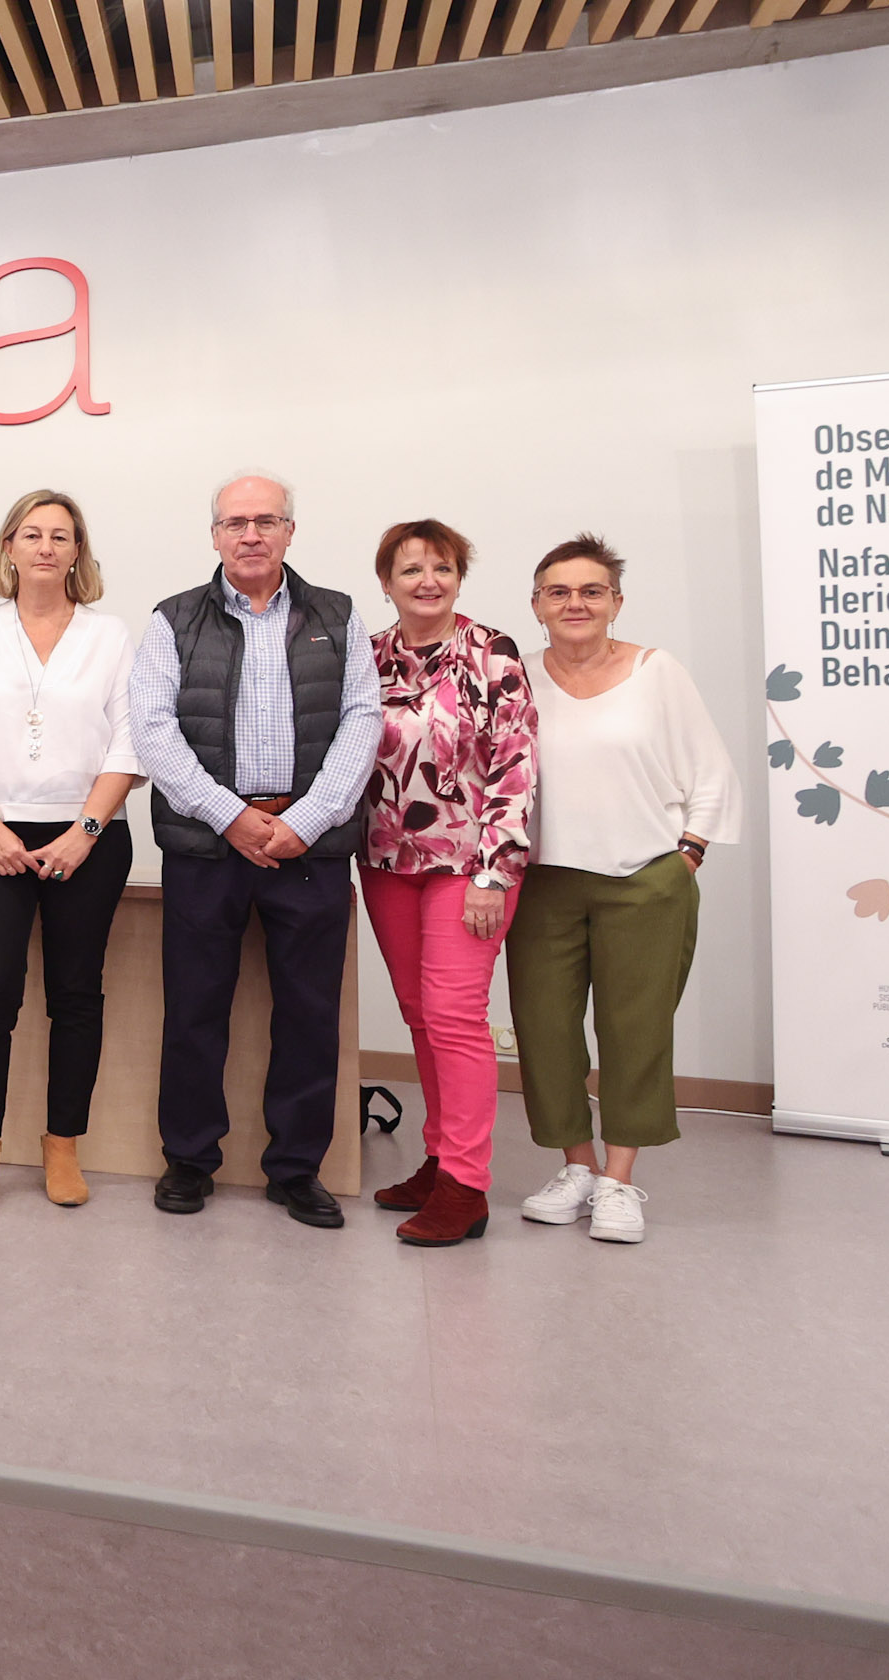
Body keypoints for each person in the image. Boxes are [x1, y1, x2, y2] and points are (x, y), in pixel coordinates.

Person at [128, 472, 379, 1231]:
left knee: (309, 1013)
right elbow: (154, 731)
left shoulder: (337, 615)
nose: (250, 535)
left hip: (309, 846)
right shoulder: (173, 619)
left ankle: (297, 1168)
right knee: (195, 1008)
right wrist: (230, 817)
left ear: (289, 531)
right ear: (214, 536)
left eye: (266, 521)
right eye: (235, 522)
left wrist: (309, 820)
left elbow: (362, 720)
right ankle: (188, 1158)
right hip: (208, 847)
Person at [505, 534, 737, 1246]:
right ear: (537, 604)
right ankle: (576, 1166)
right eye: (559, 591)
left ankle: (619, 1178)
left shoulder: (655, 672)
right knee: (544, 1032)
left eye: (591, 591)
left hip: (644, 881)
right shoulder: (516, 677)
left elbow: (710, 769)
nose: (575, 603)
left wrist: (688, 853)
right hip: (543, 883)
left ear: (616, 601)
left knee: (635, 1032)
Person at [0, 491, 143, 1211]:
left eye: (60, 535)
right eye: (32, 534)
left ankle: (63, 1148)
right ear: (10, 548)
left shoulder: (110, 636)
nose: (46, 546)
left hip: (88, 836)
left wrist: (85, 832)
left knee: (77, 994)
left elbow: (128, 746)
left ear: (78, 550)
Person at [357, 520, 537, 1247]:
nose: (427, 581)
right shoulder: (367, 657)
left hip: (471, 866)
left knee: (455, 1015)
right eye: (411, 570)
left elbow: (515, 767)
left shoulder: (492, 653)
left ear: (460, 577)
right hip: (386, 861)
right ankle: (438, 1160)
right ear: (386, 583)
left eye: (442, 568)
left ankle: (466, 1184)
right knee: (420, 1015)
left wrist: (495, 871)